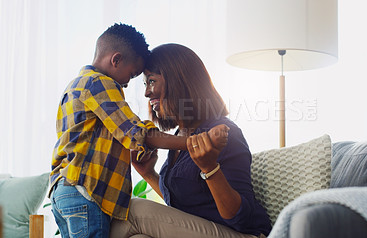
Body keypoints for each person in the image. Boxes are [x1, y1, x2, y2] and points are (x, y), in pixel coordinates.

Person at [49, 24, 228, 238]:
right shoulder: (101, 84)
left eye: (149, 81)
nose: (129, 85)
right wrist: (199, 141)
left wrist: (148, 171)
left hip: (62, 190)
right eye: (134, 76)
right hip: (84, 190)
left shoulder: (74, 87)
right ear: (116, 60)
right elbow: (134, 132)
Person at [110, 43, 272, 238]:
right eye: (146, 84)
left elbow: (240, 217)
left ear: (178, 80)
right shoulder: (180, 136)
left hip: (244, 234)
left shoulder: (222, 133)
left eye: (152, 81)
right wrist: (149, 174)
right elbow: (185, 209)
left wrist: (210, 168)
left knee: (132, 211)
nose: (147, 92)